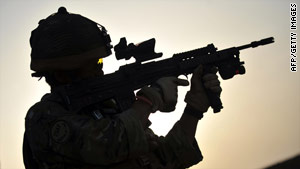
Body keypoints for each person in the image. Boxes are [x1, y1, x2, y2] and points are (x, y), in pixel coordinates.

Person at [23, 7, 222, 169]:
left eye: (100, 61)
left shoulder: (109, 110)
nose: (100, 69)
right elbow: (111, 144)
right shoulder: (44, 119)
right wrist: (149, 98)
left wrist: (194, 108)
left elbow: (167, 158)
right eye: (94, 63)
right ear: (61, 73)